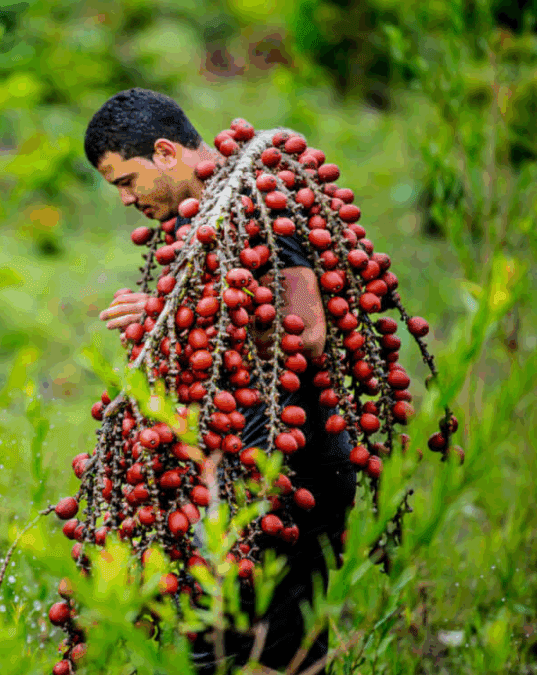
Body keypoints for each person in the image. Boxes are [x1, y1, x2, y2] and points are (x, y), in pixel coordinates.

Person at [83, 87, 357, 673]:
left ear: (165, 152)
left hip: (290, 465)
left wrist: (167, 312)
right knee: (277, 649)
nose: (126, 199)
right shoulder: (209, 215)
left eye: (127, 181)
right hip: (254, 462)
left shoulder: (256, 198)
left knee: (225, 647)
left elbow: (307, 332)